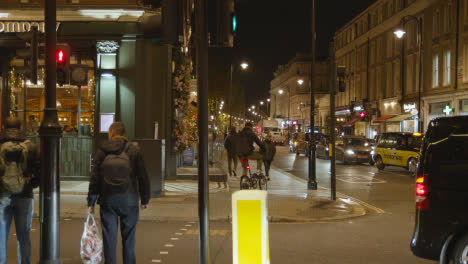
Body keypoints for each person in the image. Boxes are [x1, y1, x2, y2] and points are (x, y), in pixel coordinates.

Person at [87, 122, 150, 264]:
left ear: (111, 133)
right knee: (129, 240)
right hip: (129, 199)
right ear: (124, 134)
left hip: (108, 200)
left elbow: (95, 178)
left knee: (109, 240)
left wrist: (91, 201)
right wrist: (145, 199)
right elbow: (143, 177)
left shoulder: (102, 151)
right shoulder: (134, 151)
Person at [0, 117, 40, 264]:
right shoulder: (31, 147)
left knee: (1, 234)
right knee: (23, 236)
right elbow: (39, 169)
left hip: (2, 194)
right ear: (21, 126)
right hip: (24, 194)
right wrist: (31, 184)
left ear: (4, 126)